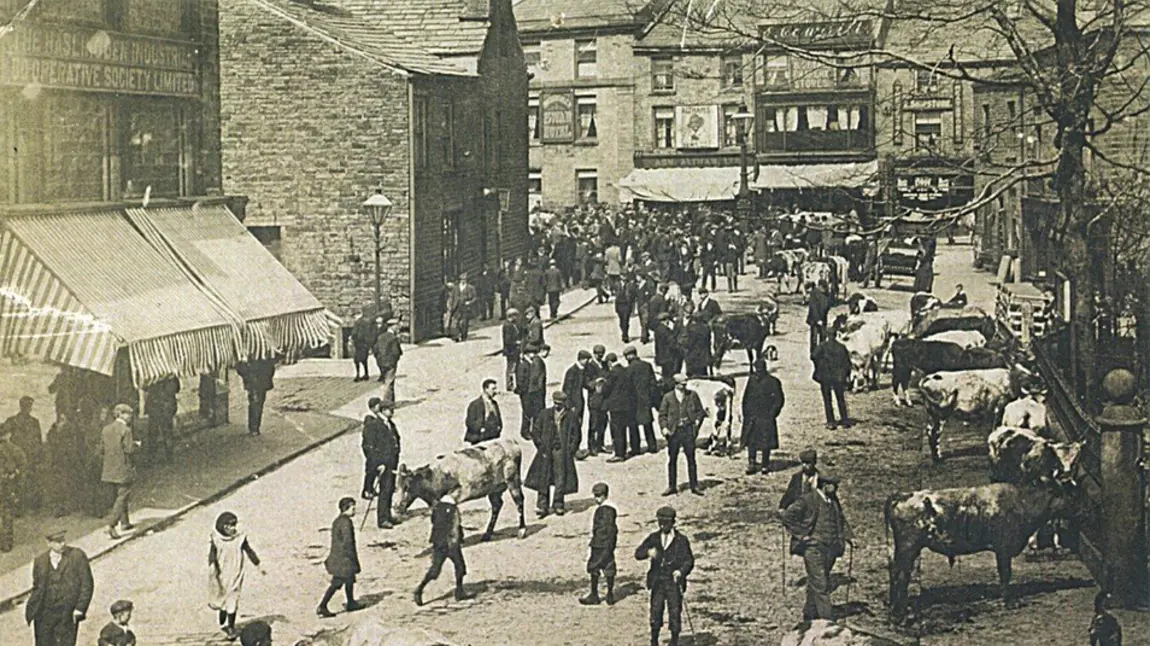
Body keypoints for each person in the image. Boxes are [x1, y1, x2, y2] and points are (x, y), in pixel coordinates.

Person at [782, 474, 852, 621]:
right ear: (825, 485)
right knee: (821, 584)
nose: (836, 488)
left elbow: (840, 518)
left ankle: (809, 614)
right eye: (834, 484)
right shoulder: (808, 499)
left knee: (818, 581)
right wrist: (802, 536)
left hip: (831, 549)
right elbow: (788, 516)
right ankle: (827, 621)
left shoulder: (832, 501)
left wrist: (849, 537)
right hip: (813, 549)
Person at [635, 506, 694, 646]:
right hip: (657, 582)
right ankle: (654, 641)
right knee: (655, 611)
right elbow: (638, 553)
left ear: (673, 522)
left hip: (674, 583)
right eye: (660, 522)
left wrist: (680, 571)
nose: (662, 526)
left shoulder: (681, 540)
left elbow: (689, 560)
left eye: (666, 523)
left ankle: (674, 641)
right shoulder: (654, 537)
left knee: (674, 612)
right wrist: (648, 552)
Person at [26, 530, 94, 646]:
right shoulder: (40, 561)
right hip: (44, 614)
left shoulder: (77, 556)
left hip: (66, 613)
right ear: (48, 543)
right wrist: (34, 609)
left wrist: (80, 608)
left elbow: (87, 584)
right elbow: (37, 586)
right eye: (58, 541)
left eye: (63, 540)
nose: (62, 544)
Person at [524, 391, 580, 517]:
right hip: (546, 451)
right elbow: (536, 432)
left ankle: (558, 504)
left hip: (562, 451)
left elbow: (576, 436)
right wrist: (541, 446)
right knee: (544, 477)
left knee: (560, 479)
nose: (557, 406)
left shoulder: (571, 416)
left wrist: (570, 450)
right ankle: (542, 506)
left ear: (564, 403)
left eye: (559, 404)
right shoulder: (545, 414)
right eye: (555, 403)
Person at [208, 511, 263, 640]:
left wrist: (257, 564)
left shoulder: (240, 538)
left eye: (233, 525)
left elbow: (248, 550)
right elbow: (212, 555)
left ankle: (231, 626)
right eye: (229, 526)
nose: (232, 529)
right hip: (221, 573)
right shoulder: (216, 539)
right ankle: (223, 610)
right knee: (222, 597)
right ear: (223, 527)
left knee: (233, 599)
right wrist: (212, 566)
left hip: (236, 573)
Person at [413, 493, 474, 605]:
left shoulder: (437, 509)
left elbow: (434, 523)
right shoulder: (454, 510)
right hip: (451, 544)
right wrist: (459, 539)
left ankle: (420, 589)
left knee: (435, 570)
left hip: (439, 544)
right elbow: (456, 527)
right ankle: (459, 591)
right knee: (460, 567)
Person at [658, 375, 706, 496]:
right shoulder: (668, 397)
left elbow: (700, 411)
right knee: (672, 459)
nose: (685, 386)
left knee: (691, 458)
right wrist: (664, 428)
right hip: (674, 432)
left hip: (688, 430)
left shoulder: (692, 395)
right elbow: (662, 415)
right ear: (676, 384)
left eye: (685, 384)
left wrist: (696, 424)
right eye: (682, 384)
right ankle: (672, 486)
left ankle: (694, 486)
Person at [317, 497, 363, 617]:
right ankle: (322, 606)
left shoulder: (337, 521)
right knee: (337, 582)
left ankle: (351, 602)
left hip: (338, 556)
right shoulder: (346, 522)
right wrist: (352, 558)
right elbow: (348, 542)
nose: (355, 510)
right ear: (346, 508)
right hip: (344, 558)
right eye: (353, 508)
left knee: (349, 579)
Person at [101, 404, 138, 540]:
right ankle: (111, 524)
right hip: (123, 468)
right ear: (121, 414)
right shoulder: (126, 430)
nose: (130, 417)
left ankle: (125, 523)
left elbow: (102, 449)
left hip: (109, 469)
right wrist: (136, 445)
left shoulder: (106, 429)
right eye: (128, 414)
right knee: (123, 496)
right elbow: (129, 450)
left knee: (119, 495)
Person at [742, 358, 785, 475]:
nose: (758, 373)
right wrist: (745, 414)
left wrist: (772, 414)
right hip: (752, 417)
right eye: (757, 370)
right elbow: (746, 398)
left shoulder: (773, 381)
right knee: (751, 441)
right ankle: (751, 463)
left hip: (766, 417)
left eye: (760, 371)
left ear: (765, 369)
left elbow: (779, 400)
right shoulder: (751, 381)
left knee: (766, 442)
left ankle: (765, 464)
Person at [580, 482, 618, 606]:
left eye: (599, 496)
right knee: (609, 567)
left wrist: (598, 541)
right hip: (608, 543)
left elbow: (603, 528)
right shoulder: (611, 509)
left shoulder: (603, 510)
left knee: (594, 567)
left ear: (605, 495)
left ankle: (594, 595)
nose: (597, 499)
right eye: (595, 496)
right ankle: (610, 595)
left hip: (599, 544)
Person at [5, 395, 42, 514]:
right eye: (26, 406)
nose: (28, 408)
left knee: (29, 481)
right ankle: (18, 508)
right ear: (21, 406)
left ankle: (28, 506)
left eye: (29, 406)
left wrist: (38, 455)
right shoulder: (12, 421)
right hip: (16, 457)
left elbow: (38, 440)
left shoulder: (34, 422)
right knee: (16, 482)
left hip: (30, 456)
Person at [812, 328, 853, 430]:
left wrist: (820, 365)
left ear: (827, 335)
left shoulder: (822, 346)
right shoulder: (841, 347)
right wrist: (846, 375)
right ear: (835, 335)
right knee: (840, 399)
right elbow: (848, 363)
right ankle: (844, 420)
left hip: (826, 376)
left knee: (827, 400)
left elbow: (813, 356)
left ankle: (831, 422)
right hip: (838, 377)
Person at [625, 345, 660, 455]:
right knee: (647, 424)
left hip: (633, 401)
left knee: (633, 426)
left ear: (629, 356)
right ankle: (652, 446)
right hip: (646, 399)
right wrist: (653, 398)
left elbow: (627, 386)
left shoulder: (628, 369)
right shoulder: (647, 365)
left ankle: (636, 448)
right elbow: (653, 384)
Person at [603, 353, 637, 461]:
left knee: (618, 430)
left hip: (616, 406)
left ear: (609, 362)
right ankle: (627, 450)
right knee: (625, 428)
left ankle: (619, 453)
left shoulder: (613, 373)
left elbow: (606, 389)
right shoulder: (625, 370)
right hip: (627, 405)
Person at [0, 424, 27, 551]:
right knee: (6, 513)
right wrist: (15, 475)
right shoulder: (13, 449)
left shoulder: (12, 449)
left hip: (5, 484)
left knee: (5, 513)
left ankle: (5, 541)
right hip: (7, 485)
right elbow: (23, 464)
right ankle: (6, 542)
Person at [515, 343, 548, 440]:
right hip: (526, 393)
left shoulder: (531, 363)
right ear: (527, 354)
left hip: (533, 392)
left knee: (534, 411)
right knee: (527, 412)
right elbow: (521, 380)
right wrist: (524, 392)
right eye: (532, 353)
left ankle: (534, 430)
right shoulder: (522, 365)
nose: (533, 355)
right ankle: (525, 431)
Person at [236, 357, 276, 436]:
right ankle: (254, 428)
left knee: (257, 403)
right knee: (256, 403)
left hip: (259, 379)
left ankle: (254, 427)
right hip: (255, 380)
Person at [143, 376, 179, 463]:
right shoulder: (171, 377)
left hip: (156, 410)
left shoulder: (152, 376)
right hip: (165, 410)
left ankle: (152, 457)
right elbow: (177, 389)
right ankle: (169, 457)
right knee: (167, 434)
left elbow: (145, 387)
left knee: (153, 434)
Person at [562, 351, 589, 458]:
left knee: (578, 425)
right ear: (581, 359)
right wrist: (569, 405)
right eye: (586, 359)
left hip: (579, 403)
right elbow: (567, 390)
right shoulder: (572, 371)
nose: (587, 362)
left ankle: (575, 448)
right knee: (574, 427)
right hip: (573, 405)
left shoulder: (581, 370)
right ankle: (573, 450)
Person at [464, 379, 503, 445]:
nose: (495, 391)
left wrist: (499, 428)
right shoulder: (475, 404)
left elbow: (499, 419)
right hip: (479, 439)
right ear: (486, 389)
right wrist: (480, 429)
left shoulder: (494, 403)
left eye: (495, 389)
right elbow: (469, 423)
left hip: (493, 438)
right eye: (493, 389)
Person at [373, 318, 402, 406]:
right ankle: (387, 402)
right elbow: (396, 352)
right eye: (396, 326)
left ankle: (391, 401)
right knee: (389, 382)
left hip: (381, 363)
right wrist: (395, 359)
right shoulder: (393, 338)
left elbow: (375, 349)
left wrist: (379, 359)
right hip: (390, 363)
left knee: (386, 381)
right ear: (392, 327)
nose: (398, 327)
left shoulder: (380, 336)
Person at [447, 272, 477, 341]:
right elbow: (452, 297)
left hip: (466, 308)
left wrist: (469, 302)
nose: (463, 281)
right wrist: (450, 305)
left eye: (465, 279)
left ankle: (464, 336)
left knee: (464, 323)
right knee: (455, 322)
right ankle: (456, 336)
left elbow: (475, 298)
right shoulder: (456, 288)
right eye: (462, 279)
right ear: (460, 280)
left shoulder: (470, 288)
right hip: (457, 307)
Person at [653, 312, 680, 383]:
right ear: (666, 320)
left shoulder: (658, 330)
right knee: (669, 376)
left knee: (665, 374)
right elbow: (671, 343)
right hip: (668, 357)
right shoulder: (666, 331)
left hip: (661, 356)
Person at [682, 313, 712, 378]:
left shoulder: (692, 329)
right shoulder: (706, 328)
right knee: (703, 375)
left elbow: (689, 343)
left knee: (692, 376)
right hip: (703, 356)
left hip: (693, 357)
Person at [350, 308, 376, 381]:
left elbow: (355, 333)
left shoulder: (358, 322)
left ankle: (358, 375)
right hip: (366, 344)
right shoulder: (368, 322)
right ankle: (366, 374)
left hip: (359, 344)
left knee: (356, 360)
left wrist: (352, 337)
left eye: (354, 316)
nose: (354, 318)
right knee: (364, 359)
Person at [807, 281, 831, 354]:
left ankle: (821, 351)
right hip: (814, 320)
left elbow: (827, 306)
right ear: (820, 287)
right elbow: (813, 307)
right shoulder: (814, 294)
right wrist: (817, 319)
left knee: (823, 336)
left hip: (823, 319)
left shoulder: (826, 295)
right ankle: (813, 352)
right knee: (814, 337)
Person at [502, 309, 521, 391]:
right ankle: (509, 385)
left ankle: (512, 384)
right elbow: (507, 340)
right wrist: (516, 342)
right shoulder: (508, 325)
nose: (516, 318)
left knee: (513, 367)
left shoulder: (511, 324)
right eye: (515, 316)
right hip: (511, 350)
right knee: (511, 368)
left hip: (512, 350)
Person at [614, 271, 637, 343]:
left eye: (625, 276)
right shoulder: (617, 284)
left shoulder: (630, 285)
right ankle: (624, 331)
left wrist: (632, 307)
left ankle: (625, 335)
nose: (624, 277)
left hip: (627, 304)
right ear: (620, 276)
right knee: (621, 322)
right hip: (619, 304)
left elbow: (633, 296)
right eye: (622, 275)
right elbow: (615, 293)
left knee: (625, 321)